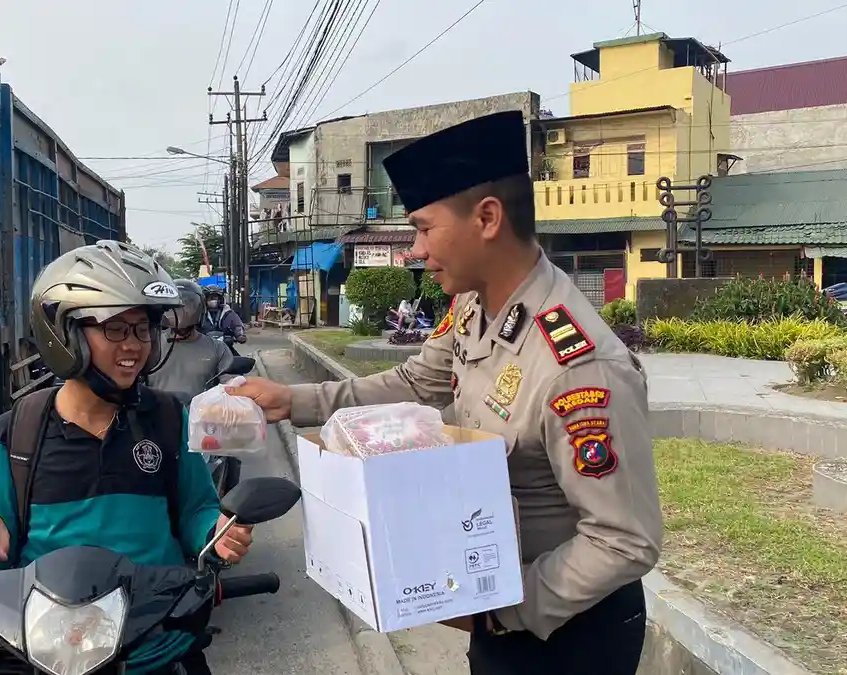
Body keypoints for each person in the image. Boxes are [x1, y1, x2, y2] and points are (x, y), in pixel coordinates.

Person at [228, 111, 662, 675]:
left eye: (424, 228)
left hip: (567, 633)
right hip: (497, 608)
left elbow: (624, 541)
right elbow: (415, 385)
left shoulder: (577, 366)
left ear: (487, 218)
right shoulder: (474, 307)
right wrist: (294, 401)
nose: (413, 250)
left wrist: (502, 610)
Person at [0, 241, 253, 675]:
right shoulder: (17, 431)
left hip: (151, 641)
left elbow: (197, 510)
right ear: (65, 334)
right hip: (48, 647)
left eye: (143, 329)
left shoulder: (167, 419)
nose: (135, 345)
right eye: (116, 329)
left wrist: (216, 532)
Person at [148, 278, 235, 397]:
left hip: (201, 414)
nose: (181, 311)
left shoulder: (217, 348)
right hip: (157, 414)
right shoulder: (150, 344)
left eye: (188, 304)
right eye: (176, 305)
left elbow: (231, 386)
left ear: (200, 308)